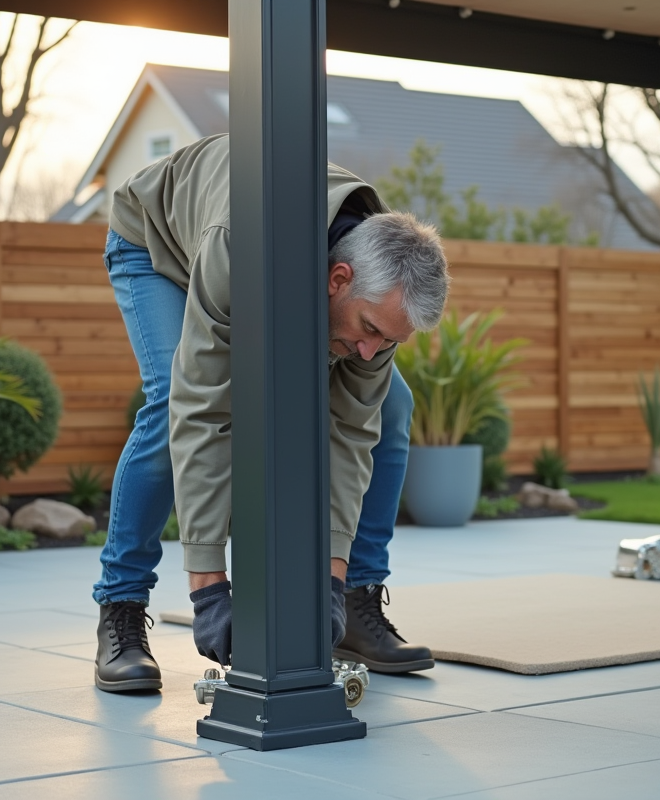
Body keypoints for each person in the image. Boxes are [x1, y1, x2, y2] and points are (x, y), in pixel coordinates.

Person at [92, 133, 450, 693]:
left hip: (256, 256)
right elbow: (203, 405)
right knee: (168, 404)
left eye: (389, 341)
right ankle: (121, 609)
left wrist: (329, 580)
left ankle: (356, 600)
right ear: (338, 281)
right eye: (370, 333)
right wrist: (209, 589)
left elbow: (351, 431)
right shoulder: (246, 243)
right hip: (158, 246)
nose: (370, 352)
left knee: (394, 405)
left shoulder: (380, 292)